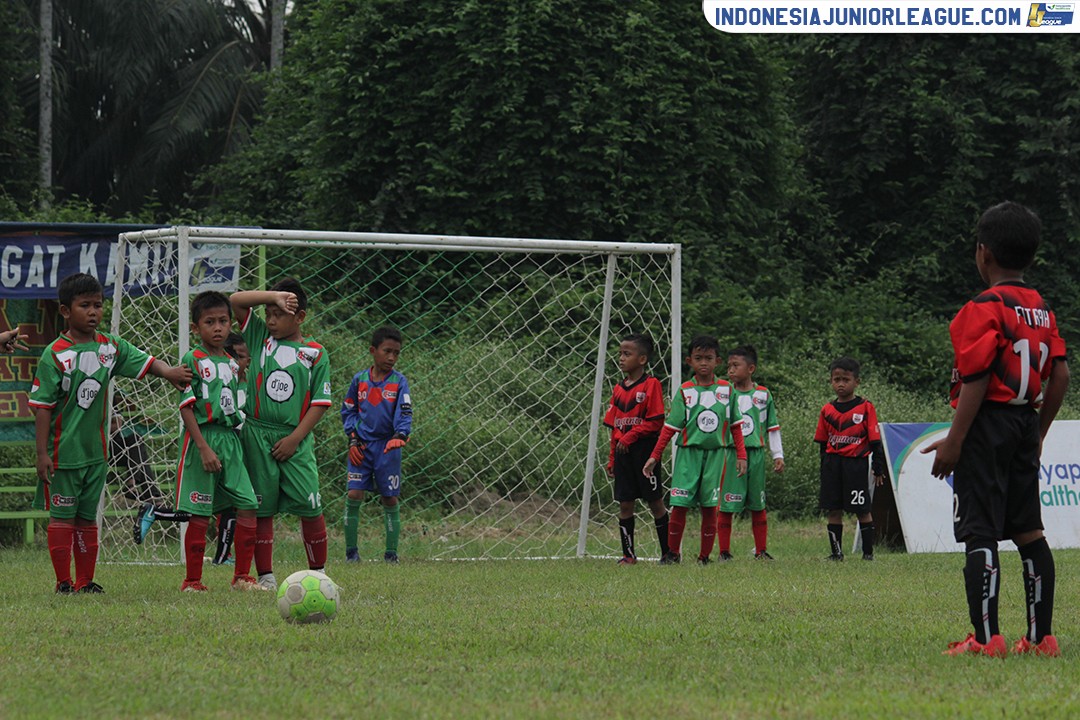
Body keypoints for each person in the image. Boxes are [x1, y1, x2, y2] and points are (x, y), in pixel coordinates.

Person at [924, 201, 1069, 658]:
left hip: (987, 425)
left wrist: (956, 440)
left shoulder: (982, 307)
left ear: (982, 253)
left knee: (979, 532)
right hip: (1027, 420)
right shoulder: (1042, 308)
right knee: (1029, 531)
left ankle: (986, 642)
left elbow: (978, 376)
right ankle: (1041, 638)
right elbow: (1061, 375)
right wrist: (1039, 432)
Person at [28, 273, 190, 593]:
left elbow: (142, 360)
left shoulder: (109, 347)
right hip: (64, 455)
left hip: (96, 455)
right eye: (84, 305)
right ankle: (63, 582)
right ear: (65, 311)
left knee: (87, 520)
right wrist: (42, 453)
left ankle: (85, 581)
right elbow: (42, 408)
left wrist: (169, 372)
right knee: (63, 518)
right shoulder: (55, 355)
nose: (93, 312)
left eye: (98, 305)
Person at [154, 292, 261, 591]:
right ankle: (192, 581)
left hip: (231, 441)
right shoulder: (192, 359)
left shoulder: (232, 363)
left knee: (248, 505)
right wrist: (202, 447)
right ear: (195, 328)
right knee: (200, 513)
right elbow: (187, 406)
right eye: (210, 322)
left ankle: (241, 577)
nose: (218, 328)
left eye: (223, 321)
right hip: (203, 438)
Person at [231, 279, 333, 590]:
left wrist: (294, 439)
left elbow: (320, 402)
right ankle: (266, 577)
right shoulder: (260, 337)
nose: (272, 320)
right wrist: (273, 296)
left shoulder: (315, 353)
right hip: (257, 435)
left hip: (295, 439)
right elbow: (236, 299)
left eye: (279, 314)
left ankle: (320, 575)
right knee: (262, 508)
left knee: (311, 504)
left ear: (300, 317)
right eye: (268, 313)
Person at [643, 335, 746, 565]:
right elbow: (669, 428)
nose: (703, 363)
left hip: (716, 456)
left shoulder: (727, 390)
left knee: (710, 507)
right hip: (688, 456)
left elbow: (736, 426)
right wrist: (654, 456)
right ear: (689, 361)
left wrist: (741, 455)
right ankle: (672, 554)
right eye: (698, 358)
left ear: (717, 361)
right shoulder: (685, 391)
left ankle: (704, 557)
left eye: (708, 358)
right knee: (679, 504)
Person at [341, 326, 412, 563]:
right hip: (360, 447)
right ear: (373, 351)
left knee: (389, 498)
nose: (392, 357)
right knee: (353, 493)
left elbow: (405, 412)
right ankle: (351, 554)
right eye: (387, 351)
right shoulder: (359, 380)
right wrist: (353, 439)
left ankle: (391, 555)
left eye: (397, 353)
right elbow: (348, 411)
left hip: (387, 448)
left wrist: (400, 435)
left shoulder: (399, 382)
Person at [603, 333, 670, 564]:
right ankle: (628, 555)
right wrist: (612, 459)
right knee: (625, 503)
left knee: (655, 502)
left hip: (644, 453)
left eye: (626, 354)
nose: (621, 358)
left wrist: (630, 437)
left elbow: (655, 421)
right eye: (620, 353)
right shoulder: (618, 389)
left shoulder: (651, 385)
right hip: (623, 455)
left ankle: (668, 554)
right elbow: (614, 429)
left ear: (642, 359)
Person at [814, 357, 887, 562]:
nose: (841, 384)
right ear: (831, 381)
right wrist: (824, 468)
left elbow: (875, 441)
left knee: (862, 509)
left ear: (857, 382)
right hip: (832, 464)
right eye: (836, 379)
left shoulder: (865, 408)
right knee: (833, 508)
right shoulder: (827, 410)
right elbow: (822, 442)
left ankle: (868, 554)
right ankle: (836, 553)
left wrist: (878, 468)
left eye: (846, 379)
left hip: (855, 464)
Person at [719, 345, 784, 560]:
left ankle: (761, 551)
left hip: (755, 455)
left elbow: (772, 427)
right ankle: (724, 552)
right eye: (728, 366)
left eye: (736, 366)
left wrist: (777, 455)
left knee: (758, 503)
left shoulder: (763, 394)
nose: (730, 370)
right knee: (727, 504)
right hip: (731, 454)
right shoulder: (724, 393)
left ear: (751, 369)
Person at [211, 332, 252, 566]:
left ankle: (223, 555)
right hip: (224, 444)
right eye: (242, 357)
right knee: (204, 504)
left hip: (240, 447)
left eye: (247, 357)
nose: (246, 362)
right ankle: (156, 513)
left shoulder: (250, 383)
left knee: (232, 505)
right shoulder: (224, 383)